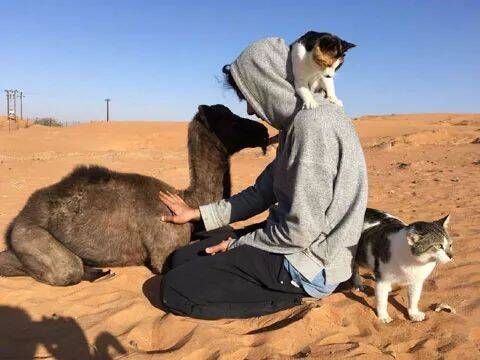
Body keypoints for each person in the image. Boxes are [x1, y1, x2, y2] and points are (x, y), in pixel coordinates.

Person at [158, 37, 368, 319]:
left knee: (175, 289)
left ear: (268, 83)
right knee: (180, 259)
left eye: (249, 96)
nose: (249, 110)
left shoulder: (312, 127)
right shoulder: (298, 124)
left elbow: (301, 231)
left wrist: (236, 244)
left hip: (308, 262)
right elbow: (261, 193)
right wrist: (196, 213)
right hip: (294, 240)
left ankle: (291, 298)